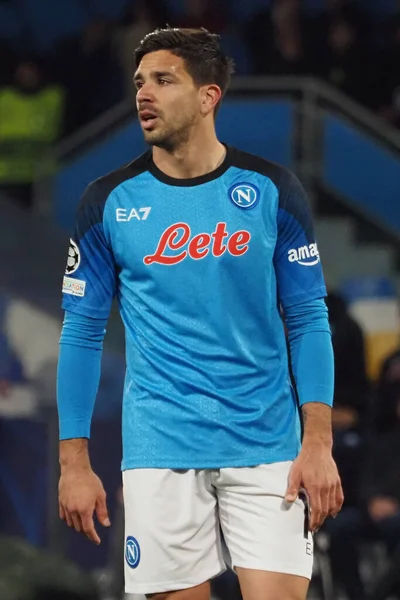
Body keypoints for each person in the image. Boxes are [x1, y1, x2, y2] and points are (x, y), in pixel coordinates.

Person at [56, 27, 343, 600]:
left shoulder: (271, 191)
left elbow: (309, 318)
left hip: (266, 444)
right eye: (139, 82)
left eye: (164, 81)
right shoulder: (106, 202)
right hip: (160, 447)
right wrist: (74, 464)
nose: (144, 94)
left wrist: (319, 442)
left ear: (209, 96)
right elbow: (82, 334)